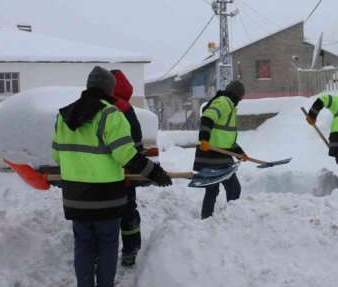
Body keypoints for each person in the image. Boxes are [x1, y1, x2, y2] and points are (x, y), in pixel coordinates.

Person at [52, 66, 172, 287]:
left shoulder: (63, 116)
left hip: (75, 197)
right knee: (107, 245)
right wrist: (154, 173)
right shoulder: (110, 115)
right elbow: (126, 156)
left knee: (83, 245)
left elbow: (57, 156)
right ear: (109, 89)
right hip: (105, 197)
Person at [194, 80, 248, 219]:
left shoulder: (229, 106)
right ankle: (218, 219)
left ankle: (220, 218)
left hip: (220, 155)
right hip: (211, 155)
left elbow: (225, 137)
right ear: (236, 94)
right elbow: (207, 117)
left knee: (225, 189)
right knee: (224, 189)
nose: (241, 99)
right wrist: (204, 138)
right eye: (241, 96)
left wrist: (240, 153)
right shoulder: (223, 102)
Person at [110, 69, 143, 267]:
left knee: (103, 215)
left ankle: (101, 255)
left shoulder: (95, 105)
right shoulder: (124, 107)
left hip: (97, 175)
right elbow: (136, 141)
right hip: (125, 173)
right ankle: (130, 251)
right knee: (128, 210)